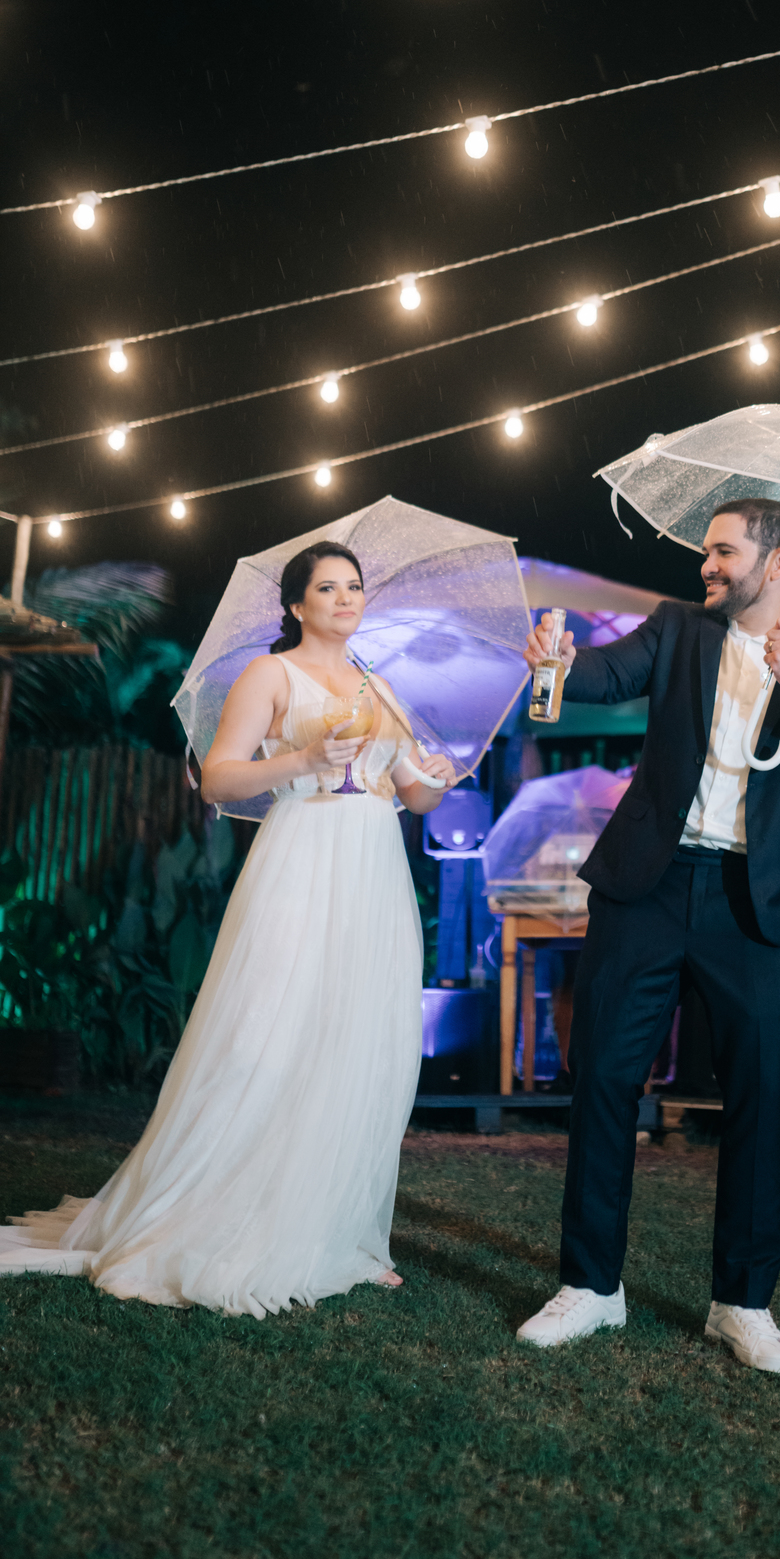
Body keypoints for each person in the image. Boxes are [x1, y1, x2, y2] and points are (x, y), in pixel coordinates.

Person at [0, 543, 454, 1317]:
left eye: (355, 586)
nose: (346, 597)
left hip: (376, 871)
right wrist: (303, 756)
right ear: (295, 605)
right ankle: (230, 1211)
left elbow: (415, 798)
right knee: (270, 1035)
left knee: (357, 1043)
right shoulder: (269, 675)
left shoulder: (382, 685)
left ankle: (336, 1229)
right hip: (305, 858)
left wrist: (433, 778)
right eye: (328, 587)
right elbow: (218, 775)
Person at [516, 500, 780, 1373]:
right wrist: (562, 664)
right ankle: (591, 1285)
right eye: (708, 551)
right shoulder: (678, 629)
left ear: (779, 563)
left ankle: (743, 1302)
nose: (707, 565)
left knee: (761, 1100)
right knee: (604, 1078)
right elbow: (607, 674)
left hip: (752, 906)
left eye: (725, 551)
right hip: (648, 886)